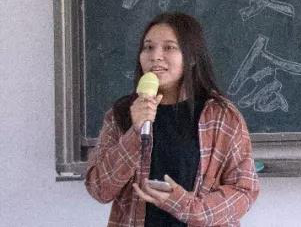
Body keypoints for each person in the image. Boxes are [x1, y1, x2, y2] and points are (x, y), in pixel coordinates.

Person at [85, 12, 259, 226]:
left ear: (192, 57)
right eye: (148, 47)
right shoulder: (121, 113)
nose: (155, 56)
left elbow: (244, 190)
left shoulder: (221, 116)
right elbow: (99, 189)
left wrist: (186, 207)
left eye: (169, 47)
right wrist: (135, 132)